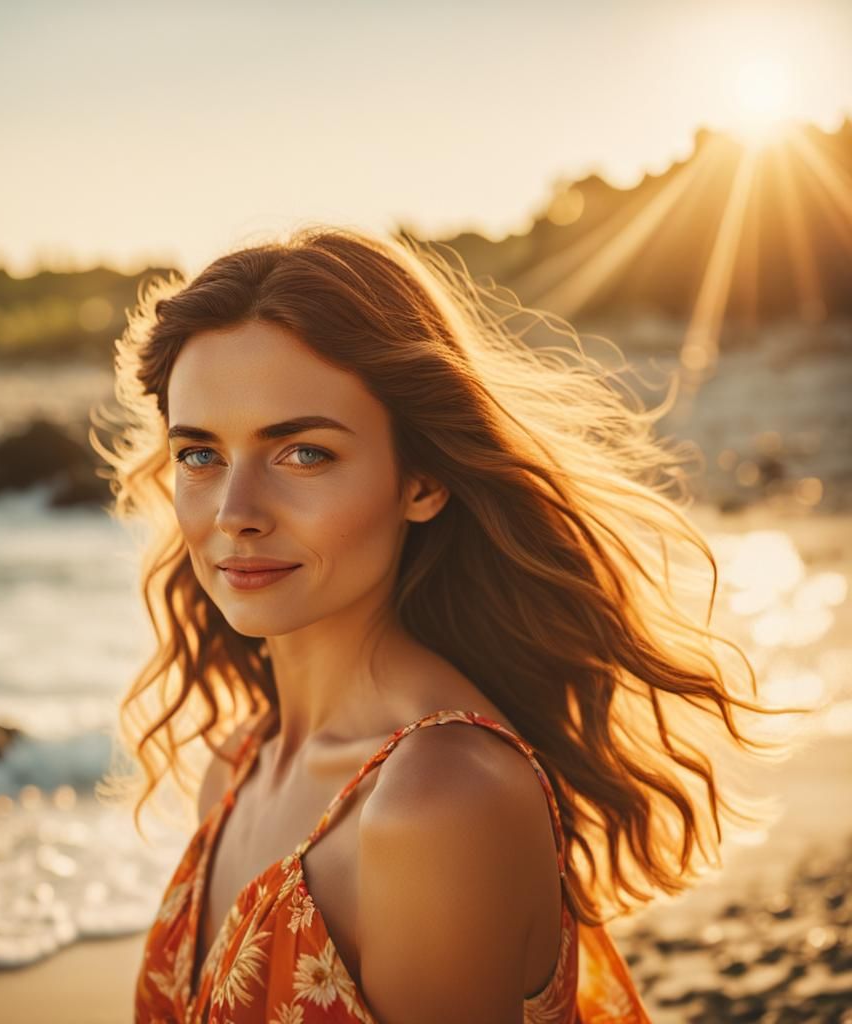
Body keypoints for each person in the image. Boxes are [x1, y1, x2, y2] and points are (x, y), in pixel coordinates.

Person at [92, 227, 792, 1023]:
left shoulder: (440, 799)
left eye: (304, 455)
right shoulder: (236, 767)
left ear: (421, 481)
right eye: (200, 455)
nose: (235, 513)